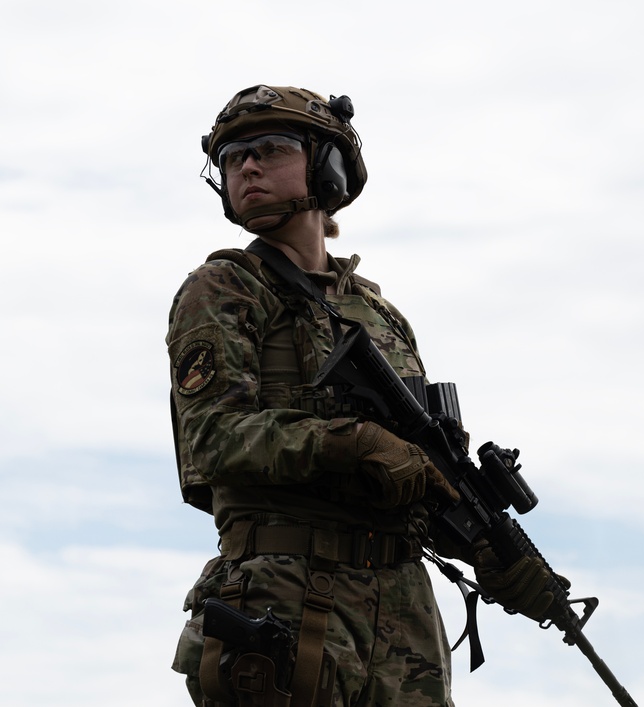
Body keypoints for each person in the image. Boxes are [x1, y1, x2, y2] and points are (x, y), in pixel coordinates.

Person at [167, 85, 557, 707]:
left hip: (402, 615)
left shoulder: (379, 314)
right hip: (285, 600)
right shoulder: (225, 289)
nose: (247, 166)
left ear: (328, 167)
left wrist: (494, 555)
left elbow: (425, 475)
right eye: (233, 156)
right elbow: (210, 442)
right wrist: (354, 443)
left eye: (270, 149)